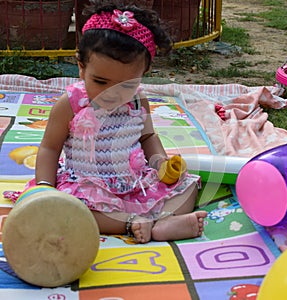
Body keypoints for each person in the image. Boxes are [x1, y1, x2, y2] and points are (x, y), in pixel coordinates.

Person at [7, 1, 207, 243]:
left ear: (143, 74)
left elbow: (147, 137)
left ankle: (159, 222)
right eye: (101, 81)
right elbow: (50, 147)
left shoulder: (137, 101)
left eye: (127, 85)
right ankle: (138, 223)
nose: (112, 93)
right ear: (81, 67)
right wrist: (45, 187)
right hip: (88, 186)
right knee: (72, 210)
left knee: (188, 186)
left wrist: (160, 164)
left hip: (134, 183)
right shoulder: (70, 104)